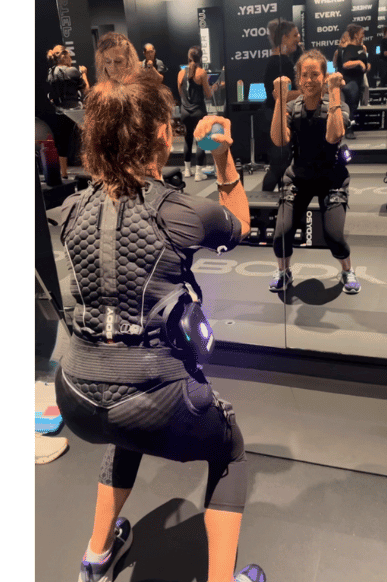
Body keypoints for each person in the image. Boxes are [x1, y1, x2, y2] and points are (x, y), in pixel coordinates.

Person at [54, 69, 263, 582]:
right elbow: (240, 220)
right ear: (163, 135)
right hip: (159, 400)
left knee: (121, 426)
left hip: (75, 395)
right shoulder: (180, 211)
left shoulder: (68, 210)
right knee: (230, 448)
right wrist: (221, 156)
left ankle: (96, 557)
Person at [269, 49, 360, 294]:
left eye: (315, 74)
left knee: (334, 237)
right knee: (281, 235)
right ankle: (283, 271)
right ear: (298, 78)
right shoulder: (291, 107)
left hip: (332, 178)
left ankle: (347, 270)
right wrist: (280, 99)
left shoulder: (338, 104)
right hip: (299, 177)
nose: (309, 80)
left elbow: (334, 137)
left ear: (324, 76)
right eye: (304, 75)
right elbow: (279, 140)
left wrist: (334, 92)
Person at [261, 18, 302, 192]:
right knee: (278, 165)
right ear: (284, 38)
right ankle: (261, 211)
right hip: (274, 116)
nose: (298, 38)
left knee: (283, 164)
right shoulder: (279, 63)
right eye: (295, 35)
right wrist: (309, 91)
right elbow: (279, 95)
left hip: (279, 115)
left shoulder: (285, 60)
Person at [46, 45, 89, 179]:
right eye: (69, 55)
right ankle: (91, 170)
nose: (70, 57)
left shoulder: (51, 72)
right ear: (64, 56)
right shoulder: (72, 71)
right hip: (75, 112)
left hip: (60, 112)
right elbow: (86, 90)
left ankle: (63, 172)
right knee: (85, 141)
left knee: (62, 143)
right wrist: (84, 73)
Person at [177, 46, 213, 181]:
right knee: (201, 141)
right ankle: (198, 173)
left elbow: (181, 93)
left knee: (187, 140)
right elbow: (208, 95)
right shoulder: (202, 73)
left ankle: (187, 170)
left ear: (188, 57)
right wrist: (215, 87)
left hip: (185, 112)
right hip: (199, 112)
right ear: (201, 58)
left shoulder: (181, 73)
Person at [337, 24, 369, 139]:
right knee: (351, 106)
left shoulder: (362, 48)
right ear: (356, 35)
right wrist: (359, 63)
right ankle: (348, 129)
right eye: (362, 33)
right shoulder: (349, 48)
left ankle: (349, 127)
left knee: (354, 105)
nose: (363, 35)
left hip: (359, 80)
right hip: (351, 82)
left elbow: (364, 62)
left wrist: (366, 65)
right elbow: (346, 64)